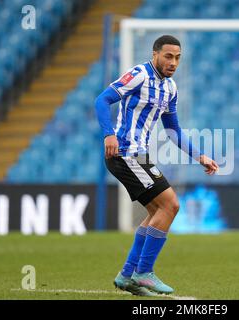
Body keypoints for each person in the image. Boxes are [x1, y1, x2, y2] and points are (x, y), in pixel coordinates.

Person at [94, 35, 219, 296]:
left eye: (177, 58)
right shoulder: (139, 74)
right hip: (125, 153)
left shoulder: (170, 88)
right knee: (170, 205)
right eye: (168, 56)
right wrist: (108, 133)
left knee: (156, 213)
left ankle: (128, 275)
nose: (173, 62)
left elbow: (173, 130)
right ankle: (144, 272)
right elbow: (102, 100)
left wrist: (200, 156)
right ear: (155, 54)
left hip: (138, 156)